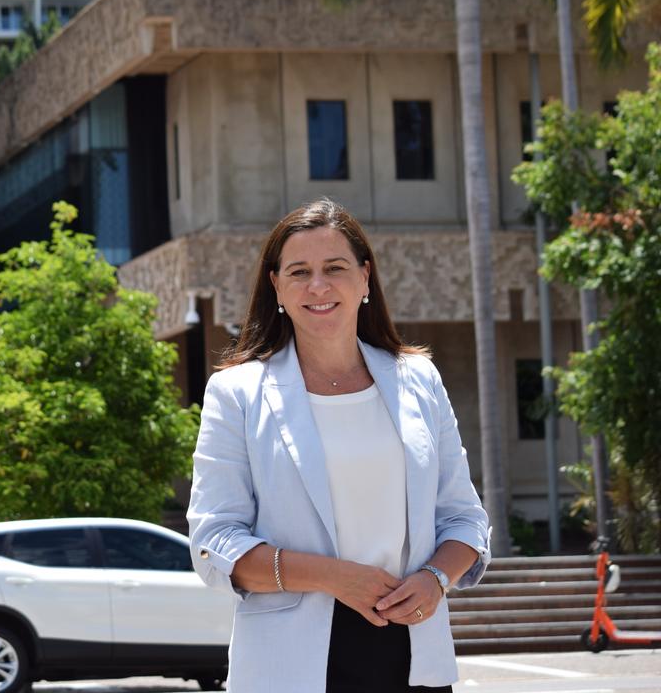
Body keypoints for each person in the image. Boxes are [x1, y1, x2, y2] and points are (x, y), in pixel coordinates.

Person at [187, 199, 491, 692]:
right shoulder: (236, 393)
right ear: (277, 286)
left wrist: (436, 578)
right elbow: (214, 542)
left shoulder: (418, 380)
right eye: (299, 271)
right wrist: (334, 577)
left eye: (334, 268)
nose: (318, 286)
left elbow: (464, 519)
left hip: (413, 653)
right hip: (290, 665)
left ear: (365, 278)